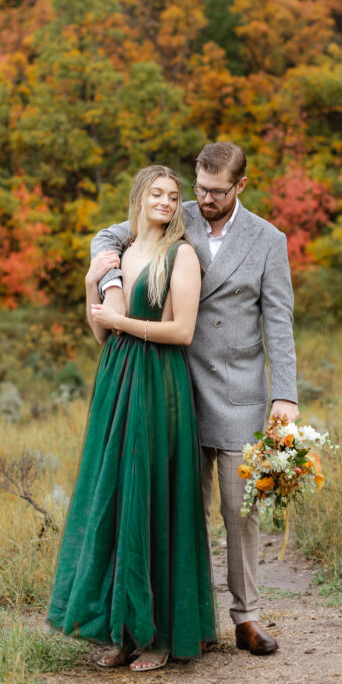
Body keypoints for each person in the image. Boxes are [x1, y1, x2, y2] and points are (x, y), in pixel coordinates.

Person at [93, 141, 299, 657]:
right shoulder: (177, 214)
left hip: (238, 394)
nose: (203, 199)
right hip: (175, 387)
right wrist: (110, 268)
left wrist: (286, 395)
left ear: (240, 186)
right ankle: (191, 619)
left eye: (215, 191)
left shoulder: (268, 240)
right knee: (180, 509)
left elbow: (278, 320)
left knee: (238, 510)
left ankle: (247, 617)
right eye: (199, 188)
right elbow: (111, 234)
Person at [47, 165, 217, 672]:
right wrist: (89, 285)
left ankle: (161, 636)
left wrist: (120, 320)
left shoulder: (180, 254)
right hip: (116, 381)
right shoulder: (118, 255)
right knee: (119, 498)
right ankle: (125, 630)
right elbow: (102, 335)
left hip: (158, 383)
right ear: (139, 198)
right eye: (157, 194)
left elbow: (182, 331)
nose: (165, 202)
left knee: (153, 497)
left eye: (172, 196)